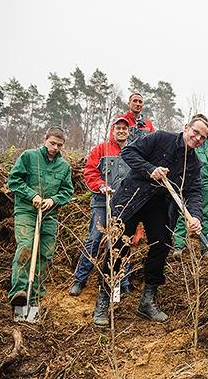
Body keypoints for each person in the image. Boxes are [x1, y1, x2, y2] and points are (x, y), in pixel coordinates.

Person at [92, 117, 207, 326]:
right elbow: (129, 152)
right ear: (186, 128)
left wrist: (196, 215)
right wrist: (150, 169)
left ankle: (147, 300)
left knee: (162, 245)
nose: (197, 138)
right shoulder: (161, 138)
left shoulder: (194, 163)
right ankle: (105, 299)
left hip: (160, 205)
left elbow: (195, 192)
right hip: (133, 196)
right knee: (119, 245)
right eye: (195, 132)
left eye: (203, 137)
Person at [8, 127, 74, 308]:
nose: (55, 148)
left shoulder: (64, 167)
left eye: (59, 145)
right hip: (26, 211)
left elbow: (67, 191)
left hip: (49, 215)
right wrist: (32, 195)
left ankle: (34, 297)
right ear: (44, 139)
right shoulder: (28, 157)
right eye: (52, 143)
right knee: (26, 246)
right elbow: (14, 180)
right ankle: (19, 293)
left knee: (45, 254)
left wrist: (54, 200)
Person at [69, 117, 133, 297]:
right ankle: (80, 279)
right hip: (101, 202)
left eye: (124, 128)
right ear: (112, 130)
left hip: (123, 203)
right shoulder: (100, 149)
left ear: (129, 131)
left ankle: (123, 280)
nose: (121, 131)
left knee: (122, 240)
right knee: (95, 239)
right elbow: (89, 172)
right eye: (118, 128)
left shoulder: (133, 151)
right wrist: (101, 185)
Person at [173, 113, 208, 256]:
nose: (199, 136)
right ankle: (179, 246)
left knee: (204, 215)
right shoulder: (187, 142)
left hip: (205, 185)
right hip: (184, 183)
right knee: (183, 214)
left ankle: (205, 247)